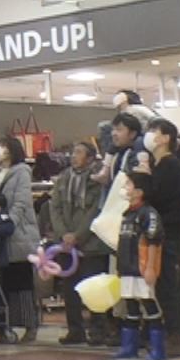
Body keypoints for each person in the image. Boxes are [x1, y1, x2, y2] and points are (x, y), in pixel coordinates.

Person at [45, 140, 110, 346]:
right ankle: (75, 329)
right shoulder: (64, 178)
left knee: (93, 288)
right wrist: (63, 233)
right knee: (70, 289)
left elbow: (95, 210)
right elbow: (55, 207)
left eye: (79, 152)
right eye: (73, 152)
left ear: (90, 158)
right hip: (66, 245)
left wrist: (78, 235)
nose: (74, 156)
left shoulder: (97, 180)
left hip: (91, 244)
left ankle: (98, 329)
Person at [143, 119, 180, 356]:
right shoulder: (157, 165)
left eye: (154, 132)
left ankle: (175, 336)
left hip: (168, 234)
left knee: (168, 286)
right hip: (155, 233)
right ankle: (158, 333)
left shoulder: (170, 166)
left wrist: (144, 182)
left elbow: (159, 197)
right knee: (158, 287)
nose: (150, 135)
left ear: (166, 138)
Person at [0, 136, 40, 342]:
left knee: (22, 282)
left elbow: (22, 202)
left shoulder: (22, 172)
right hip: (0, 236)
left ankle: (30, 324)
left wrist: (9, 222)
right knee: (3, 282)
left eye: (2, 146)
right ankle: (4, 325)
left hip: (19, 234)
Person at [113, 171, 166, 360]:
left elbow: (153, 241)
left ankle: (158, 348)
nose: (125, 188)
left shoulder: (148, 214)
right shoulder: (127, 213)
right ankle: (129, 347)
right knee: (130, 306)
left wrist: (150, 267)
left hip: (142, 268)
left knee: (149, 305)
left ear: (139, 191)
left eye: (129, 184)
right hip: (127, 268)